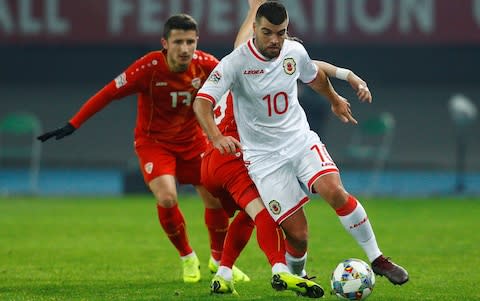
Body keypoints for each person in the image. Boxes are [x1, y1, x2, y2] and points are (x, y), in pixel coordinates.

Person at [193, 0, 409, 286]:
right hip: (263, 158)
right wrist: (216, 137)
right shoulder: (235, 63)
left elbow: (314, 75)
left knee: (335, 191)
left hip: (299, 141)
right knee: (298, 234)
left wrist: (333, 99)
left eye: (280, 33)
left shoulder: (293, 51)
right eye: (268, 32)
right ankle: (299, 278)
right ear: (255, 29)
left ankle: (378, 258)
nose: (274, 40)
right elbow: (202, 102)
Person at [36, 13, 251, 284]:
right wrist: (73, 124)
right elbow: (108, 93)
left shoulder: (206, 64)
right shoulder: (147, 68)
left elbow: (238, 85)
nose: (185, 49)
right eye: (178, 42)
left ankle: (218, 261)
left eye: (190, 42)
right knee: (167, 197)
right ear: (165, 43)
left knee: (216, 201)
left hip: (194, 142)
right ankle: (187, 257)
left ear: (196, 42)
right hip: (154, 144)